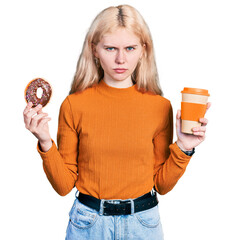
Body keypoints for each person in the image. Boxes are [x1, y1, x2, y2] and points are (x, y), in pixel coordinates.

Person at [23, 4, 210, 240]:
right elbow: (63, 186)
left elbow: (161, 185)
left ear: (143, 50)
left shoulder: (159, 106)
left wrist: (184, 147)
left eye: (130, 48)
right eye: (110, 48)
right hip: (88, 224)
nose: (121, 59)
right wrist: (45, 142)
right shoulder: (74, 105)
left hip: (143, 224)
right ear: (95, 50)